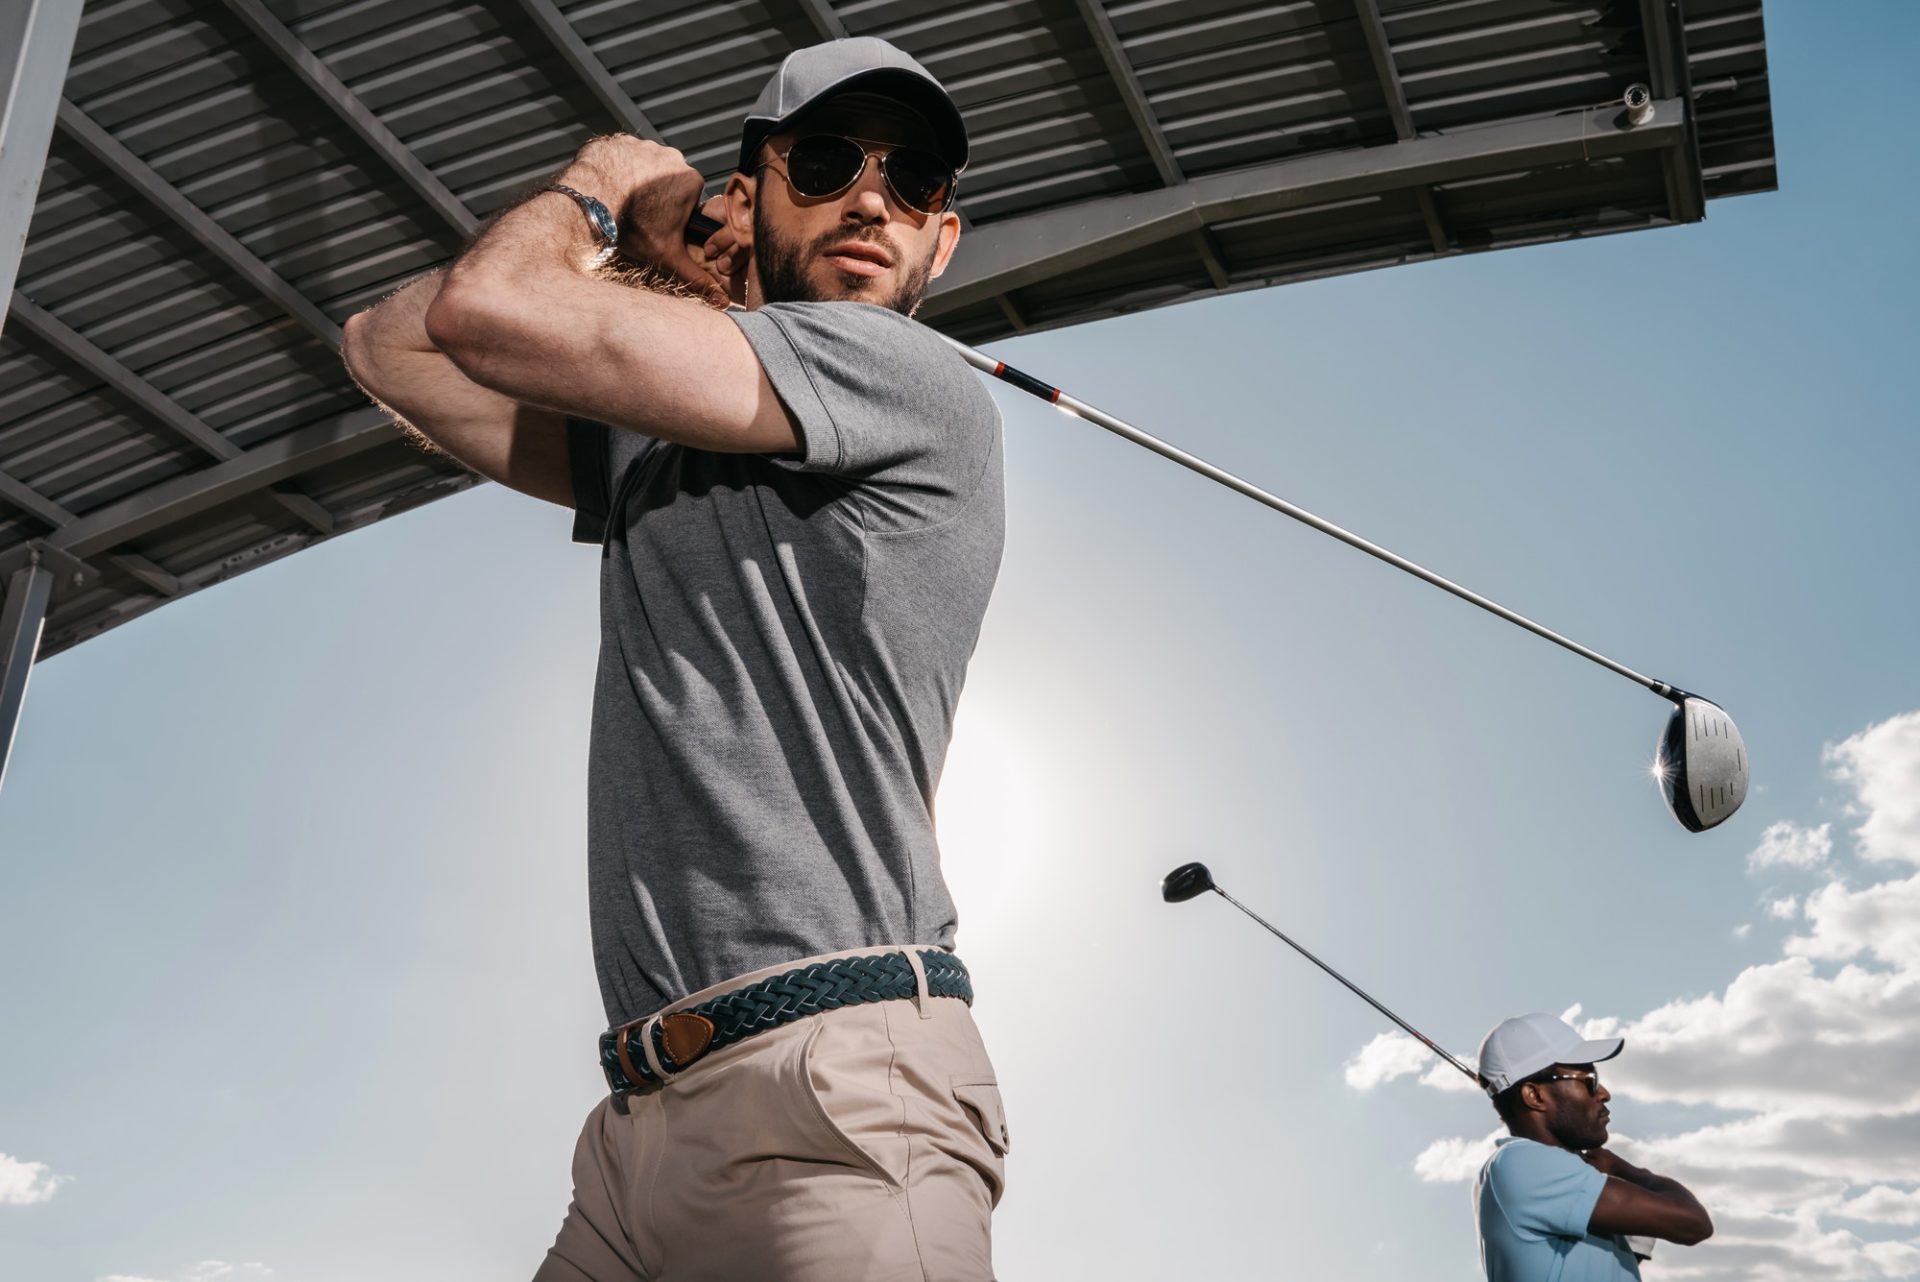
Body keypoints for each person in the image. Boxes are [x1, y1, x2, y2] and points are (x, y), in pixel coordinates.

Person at [341, 37, 1008, 1282]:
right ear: (745, 201)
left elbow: (486, 312)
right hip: (637, 1127)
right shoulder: (657, 446)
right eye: (826, 162)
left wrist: (599, 186)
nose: (872, 199)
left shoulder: (907, 374)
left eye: (912, 182)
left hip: (838, 1096)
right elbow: (389, 345)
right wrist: (667, 271)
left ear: (942, 238)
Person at [1473, 1012, 1713, 1281]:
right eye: (1589, 1079)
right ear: (1534, 1095)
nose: (1603, 1093)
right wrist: (1623, 1169)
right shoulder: (1524, 1162)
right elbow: (1693, 1223)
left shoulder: (1545, 1175)